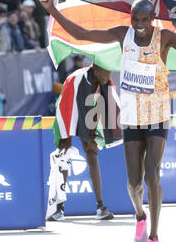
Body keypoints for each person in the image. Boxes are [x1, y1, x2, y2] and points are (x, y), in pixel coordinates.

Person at [39, 0, 176, 242]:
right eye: (136, 20)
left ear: (153, 19)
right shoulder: (123, 35)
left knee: (152, 175)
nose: (140, 26)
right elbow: (83, 35)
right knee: (134, 184)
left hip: (157, 116)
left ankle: (154, 238)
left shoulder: (164, 37)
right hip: (132, 118)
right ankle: (140, 216)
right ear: (131, 18)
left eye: (145, 20)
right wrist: (53, 11)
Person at [49, 62, 122, 221]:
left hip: (86, 112)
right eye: (105, 73)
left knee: (92, 155)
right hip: (66, 109)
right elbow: (79, 112)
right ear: (95, 71)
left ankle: (100, 207)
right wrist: (88, 138)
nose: (108, 76)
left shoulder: (105, 82)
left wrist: (93, 137)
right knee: (64, 155)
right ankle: (58, 208)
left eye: (110, 73)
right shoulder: (80, 80)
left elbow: (99, 109)